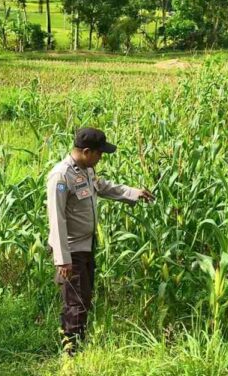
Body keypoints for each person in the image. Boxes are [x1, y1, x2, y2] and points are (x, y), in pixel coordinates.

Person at [46, 127, 154, 355]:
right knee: (75, 302)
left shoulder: (86, 170)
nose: (101, 158)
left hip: (86, 248)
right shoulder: (61, 176)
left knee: (84, 298)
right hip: (71, 252)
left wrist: (133, 193)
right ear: (86, 151)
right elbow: (57, 220)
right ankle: (71, 354)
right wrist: (62, 259)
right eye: (99, 154)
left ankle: (77, 344)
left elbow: (103, 187)